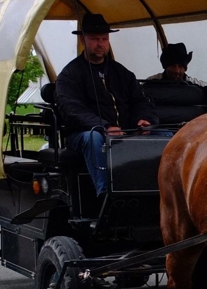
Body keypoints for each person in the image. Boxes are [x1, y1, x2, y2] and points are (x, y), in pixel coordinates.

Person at [54, 13, 159, 196]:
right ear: (82, 40)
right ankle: (105, 193)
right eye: (95, 39)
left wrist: (144, 119)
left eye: (104, 39)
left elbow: (141, 100)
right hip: (86, 133)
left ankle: (157, 190)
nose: (101, 44)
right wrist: (104, 126)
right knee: (93, 138)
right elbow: (72, 110)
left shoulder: (122, 73)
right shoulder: (70, 75)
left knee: (165, 135)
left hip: (125, 130)